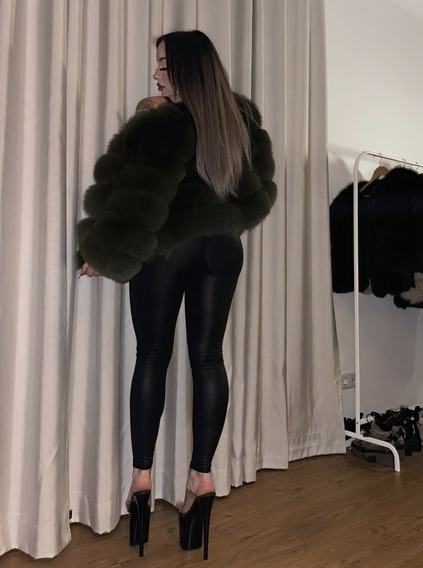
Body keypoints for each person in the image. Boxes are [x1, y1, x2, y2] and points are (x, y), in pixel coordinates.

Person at [77, 30, 277, 560]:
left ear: (187, 68)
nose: (156, 74)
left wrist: (103, 250)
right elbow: (259, 192)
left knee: (152, 356)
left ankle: (141, 481)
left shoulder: (164, 121)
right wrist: (224, 220)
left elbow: (141, 196)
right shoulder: (239, 117)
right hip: (223, 248)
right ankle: (201, 479)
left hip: (171, 249)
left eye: (163, 64)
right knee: (209, 359)